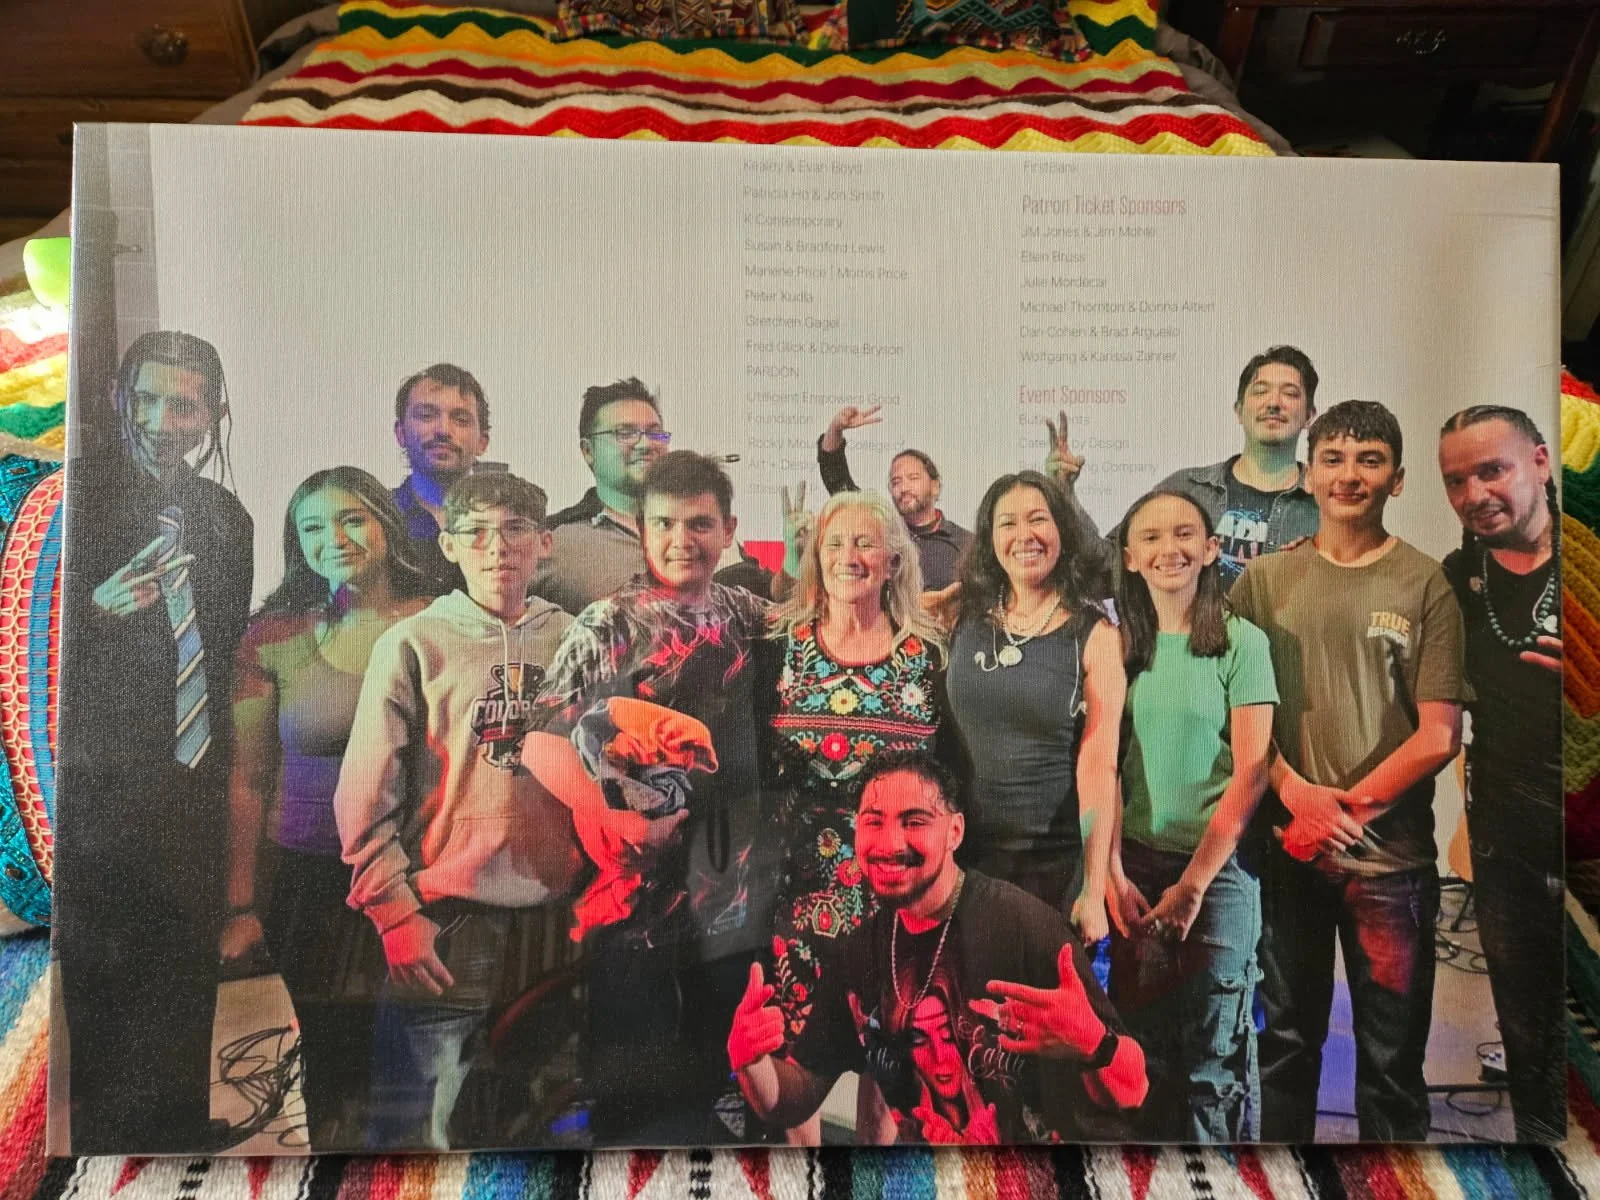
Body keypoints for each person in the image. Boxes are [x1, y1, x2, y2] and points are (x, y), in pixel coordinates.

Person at [1229, 399, 1470, 1142]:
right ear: (1311, 474)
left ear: (1396, 480)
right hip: (1285, 853)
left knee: (1393, 1061)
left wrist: (1348, 810)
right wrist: (1296, 794)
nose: (1349, 475)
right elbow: (1232, 712)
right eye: (1333, 458)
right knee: (1284, 1046)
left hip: (1390, 864)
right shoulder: (1262, 583)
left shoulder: (1426, 584)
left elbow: (1439, 734)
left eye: (1369, 461)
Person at [523, 450, 779, 1145]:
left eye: (700, 523)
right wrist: (608, 813)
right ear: (641, 529)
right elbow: (539, 742)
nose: (681, 540)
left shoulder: (753, 616)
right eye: (664, 523)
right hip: (631, 890)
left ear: (728, 529)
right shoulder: (607, 622)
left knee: (714, 1068)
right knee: (629, 1080)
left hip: (732, 884)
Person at [335, 472, 582, 1151]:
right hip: (444, 917)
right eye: (475, 532)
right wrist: (395, 914)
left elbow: (601, 772)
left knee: (533, 1118)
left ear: (544, 544)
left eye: (514, 530)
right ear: (449, 545)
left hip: (554, 917)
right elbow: (364, 794)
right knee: (416, 1130)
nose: (496, 547)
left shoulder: (577, 640)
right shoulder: (413, 643)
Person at [725, 751, 1147, 1143]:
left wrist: (1094, 1042)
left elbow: (1135, 1089)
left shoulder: (1023, 928)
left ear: (955, 831)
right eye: (873, 821)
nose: (890, 844)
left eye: (915, 821)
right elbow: (793, 1098)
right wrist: (751, 1061)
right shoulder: (861, 951)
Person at [55, 330, 254, 1152]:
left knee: (182, 948)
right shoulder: (73, 503)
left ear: (211, 413)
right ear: (116, 399)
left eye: (183, 404)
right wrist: (90, 611)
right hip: (101, 779)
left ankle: (175, 1119)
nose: (162, 420)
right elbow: (25, 651)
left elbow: (230, 641)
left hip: (195, 771)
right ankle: (105, 1133)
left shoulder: (224, 516)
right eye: (146, 399)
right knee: (106, 955)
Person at [217, 468, 433, 1150]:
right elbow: (249, 779)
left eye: (351, 519)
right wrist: (243, 905)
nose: (332, 539)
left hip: (422, 877)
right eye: (312, 527)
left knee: (422, 1069)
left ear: (386, 528)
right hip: (309, 882)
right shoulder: (270, 637)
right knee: (333, 1070)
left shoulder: (446, 618)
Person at [764, 489, 950, 1143]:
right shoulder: (779, 647)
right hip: (800, 891)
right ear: (815, 555)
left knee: (888, 1070)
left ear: (894, 561)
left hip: (896, 896)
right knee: (799, 1062)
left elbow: (951, 776)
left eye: (865, 542)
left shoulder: (927, 657)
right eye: (835, 542)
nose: (849, 555)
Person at [1104, 489, 1277, 1142]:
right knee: (1140, 1052)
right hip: (1135, 872)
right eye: (1150, 537)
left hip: (1218, 875)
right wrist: (1114, 869)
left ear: (1211, 550)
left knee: (1214, 1060)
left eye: (1184, 535)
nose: (1167, 549)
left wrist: (1195, 884)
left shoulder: (1241, 642)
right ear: (1129, 557)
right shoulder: (1119, 647)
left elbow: (1253, 768)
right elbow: (1107, 767)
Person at [1437, 405, 1565, 1143]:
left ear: (1541, 461)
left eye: (1493, 470)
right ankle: (1548, 1147)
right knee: (1525, 1014)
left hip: (1581, 816)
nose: (1475, 492)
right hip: (1504, 828)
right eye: (1457, 479)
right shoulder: (1458, 578)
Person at [942, 471, 1125, 942]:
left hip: (1053, 869)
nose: (1025, 535)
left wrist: (1093, 883)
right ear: (989, 538)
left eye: (1038, 519)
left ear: (1062, 530)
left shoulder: (1096, 635)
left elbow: (1099, 767)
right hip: (962, 863)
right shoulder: (961, 617)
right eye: (1007, 524)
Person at [1057, 346, 1321, 589]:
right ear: (1238, 411)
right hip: (1193, 641)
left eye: (1290, 393)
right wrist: (1065, 495)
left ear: (1309, 415)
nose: (1273, 403)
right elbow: (1106, 569)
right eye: (1260, 391)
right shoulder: (1185, 490)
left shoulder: (1327, 505)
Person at [537, 377, 672, 613]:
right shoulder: (553, 544)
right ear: (588, 451)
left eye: (655, 433)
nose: (646, 444)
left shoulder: (702, 530)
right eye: (626, 433)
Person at [815, 405, 971, 590]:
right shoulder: (882, 529)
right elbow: (836, 477)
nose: (903, 488)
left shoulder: (967, 544)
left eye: (913, 478)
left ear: (935, 486)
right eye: (896, 482)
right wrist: (835, 428)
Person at [390, 363, 491, 592]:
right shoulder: (377, 519)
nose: (443, 430)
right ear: (401, 433)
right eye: (426, 416)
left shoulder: (509, 522)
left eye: (461, 419)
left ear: (482, 442)